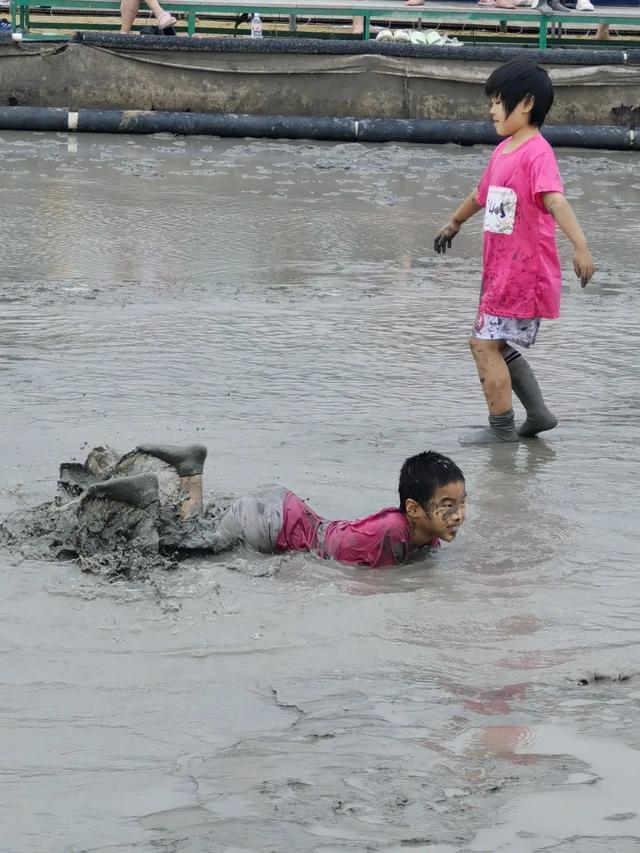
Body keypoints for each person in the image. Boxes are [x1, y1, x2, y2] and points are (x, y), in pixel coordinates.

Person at [434, 59, 595, 444]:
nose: (491, 110)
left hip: (523, 274)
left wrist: (581, 246)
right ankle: (537, 413)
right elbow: (481, 194)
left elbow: (555, 201)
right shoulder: (505, 150)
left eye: (496, 101)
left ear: (525, 103)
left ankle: (501, 431)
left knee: (482, 344)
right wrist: (454, 222)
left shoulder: (537, 153)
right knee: (496, 343)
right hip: (500, 270)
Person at [2, 444, 466, 571]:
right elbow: (345, 580)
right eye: (447, 506)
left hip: (281, 509)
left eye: (462, 504)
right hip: (271, 523)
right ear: (414, 508)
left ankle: (190, 470)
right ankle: (150, 491)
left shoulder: (416, 533)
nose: (458, 514)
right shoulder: (390, 538)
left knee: (199, 532)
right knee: (180, 549)